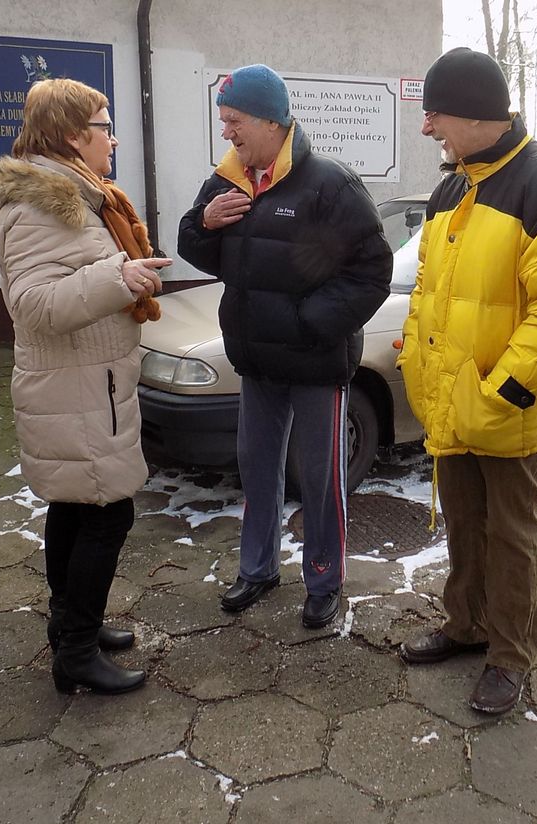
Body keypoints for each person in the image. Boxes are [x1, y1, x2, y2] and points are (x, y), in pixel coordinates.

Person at [396, 47, 537, 715]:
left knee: (513, 535)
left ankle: (510, 656)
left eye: (434, 115)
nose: (427, 129)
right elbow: (431, 288)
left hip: (512, 406)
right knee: (463, 521)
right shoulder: (451, 186)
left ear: (470, 112)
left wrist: (509, 389)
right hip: (454, 400)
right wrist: (418, 357)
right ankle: (465, 626)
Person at [177, 64, 392, 629]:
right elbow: (193, 247)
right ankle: (258, 569)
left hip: (316, 364)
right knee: (257, 469)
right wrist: (205, 221)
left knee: (320, 480)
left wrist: (311, 322)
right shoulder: (226, 181)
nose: (226, 132)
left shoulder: (329, 184)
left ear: (272, 121)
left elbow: (372, 269)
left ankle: (324, 579)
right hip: (257, 362)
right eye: (223, 121)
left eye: (235, 121)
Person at [0, 78, 172, 695]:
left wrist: (119, 274)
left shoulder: (77, 196)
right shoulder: (44, 205)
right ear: (70, 135)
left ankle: (68, 628)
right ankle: (78, 653)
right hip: (79, 387)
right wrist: (122, 276)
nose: (112, 138)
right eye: (103, 124)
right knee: (105, 514)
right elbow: (33, 305)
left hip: (90, 383)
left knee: (74, 506)